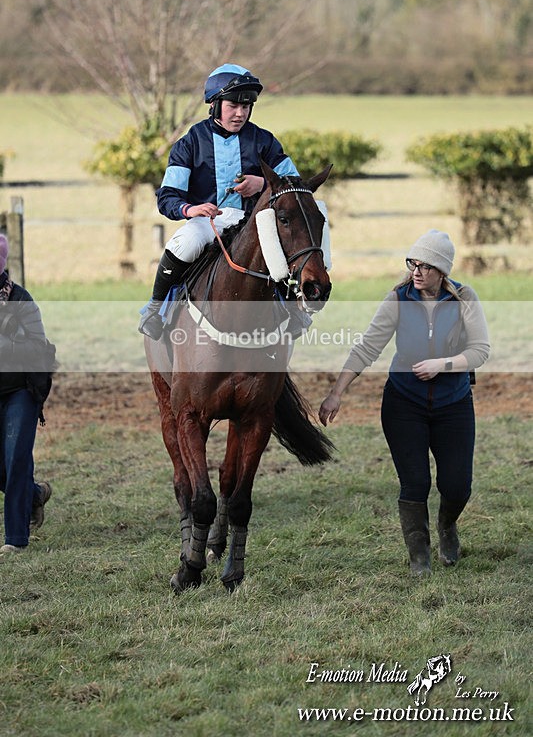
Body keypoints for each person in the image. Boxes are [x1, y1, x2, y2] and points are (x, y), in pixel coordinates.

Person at [319, 230, 490, 576]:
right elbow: (367, 347)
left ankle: (447, 525)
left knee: (457, 485)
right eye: (413, 263)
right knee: (415, 483)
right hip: (403, 405)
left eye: (426, 266)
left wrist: (441, 365)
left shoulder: (464, 298)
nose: (417, 271)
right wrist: (336, 392)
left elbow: (480, 351)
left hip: (454, 405)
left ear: (442, 270)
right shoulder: (398, 298)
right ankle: (419, 555)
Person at [139, 63, 300, 340]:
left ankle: (295, 312)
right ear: (214, 105)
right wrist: (191, 209)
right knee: (184, 243)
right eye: (233, 106)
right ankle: (155, 309)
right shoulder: (190, 143)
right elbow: (167, 198)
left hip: (256, 223)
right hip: (207, 223)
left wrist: (261, 184)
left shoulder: (264, 141)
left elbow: (295, 186)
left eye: (246, 106)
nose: (240, 113)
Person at [0, 234, 54, 557]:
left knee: (17, 460)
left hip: (21, 390)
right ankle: (34, 496)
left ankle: (15, 539)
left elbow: (40, 349)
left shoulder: (21, 300)